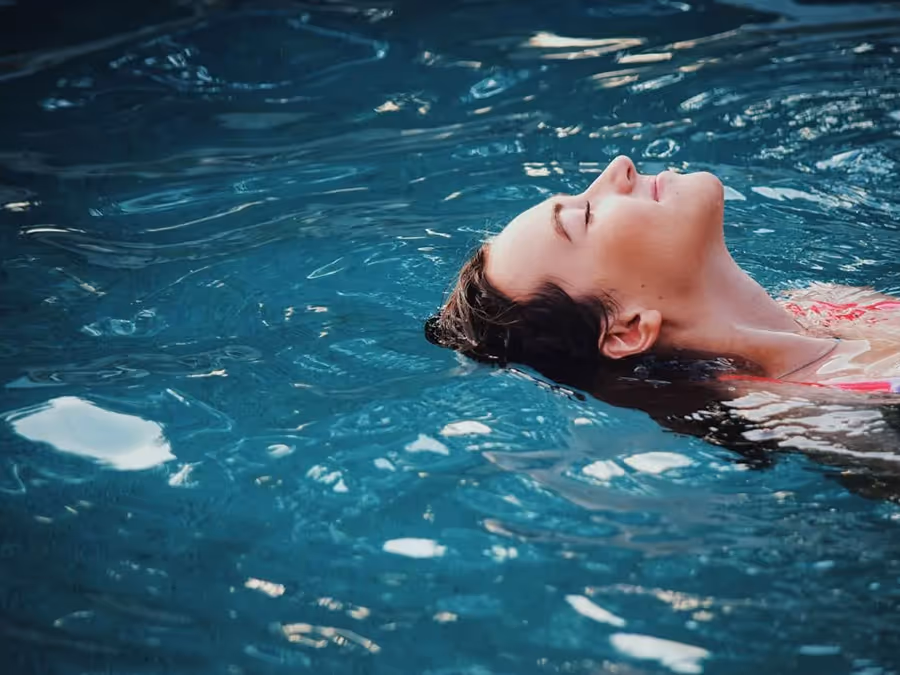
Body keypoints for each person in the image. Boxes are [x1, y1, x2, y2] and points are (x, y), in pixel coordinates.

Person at [425, 155, 900, 396]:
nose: (619, 167)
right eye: (584, 216)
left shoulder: (828, 303)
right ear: (628, 330)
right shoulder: (829, 408)